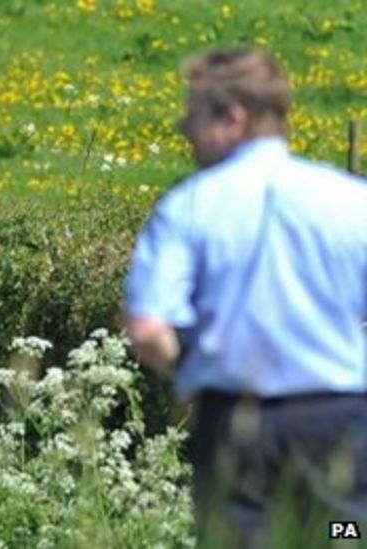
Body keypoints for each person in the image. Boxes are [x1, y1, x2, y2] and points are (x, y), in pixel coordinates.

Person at [124, 47, 367, 547]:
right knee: (345, 535)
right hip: (341, 428)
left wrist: (195, 367)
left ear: (233, 118)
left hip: (239, 429)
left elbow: (148, 330)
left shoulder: (189, 207)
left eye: (191, 114)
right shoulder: (349, 199)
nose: (181, 127)